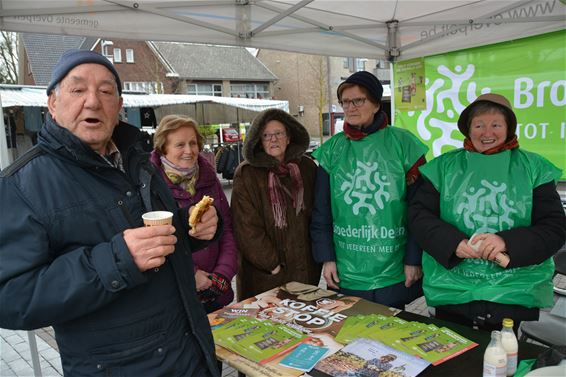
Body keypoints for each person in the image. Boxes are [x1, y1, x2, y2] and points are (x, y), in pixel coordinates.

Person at [0, 49, 222, 376]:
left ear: (119, 106)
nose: (93, 101)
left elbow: (158, 238)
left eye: (106, 91)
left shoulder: (139, 162)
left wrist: (193, 230)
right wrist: (116, 260)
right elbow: (11, 298)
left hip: (188, 353)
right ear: (51, 104)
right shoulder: (21, 185)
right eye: (77, 90)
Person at [408, 93, 566, 331]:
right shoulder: (444, 167)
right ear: (468, 129)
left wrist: (505, 242)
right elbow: (419, 215)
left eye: (496, 125)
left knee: (501, 360)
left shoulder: (533, 168)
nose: (487, 132)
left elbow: (554, 227)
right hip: (453, 291)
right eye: (479, 125)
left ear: (509, 128)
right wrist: (454, 244)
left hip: (511, 292)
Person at [310, 71, 428, 309]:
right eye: (346, 102)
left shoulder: (404, 145)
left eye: (358, 100)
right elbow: (321, 211)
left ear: (375, 104)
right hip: (348, 266)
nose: (351, 107)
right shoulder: (332, 150)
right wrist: (327, 258)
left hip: (394, 265)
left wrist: (413, 259)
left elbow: (421, 210)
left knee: (393, 332)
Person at [231, 108, 321, 301]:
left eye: (278, 133)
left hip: (305, 267)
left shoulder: (307, 167)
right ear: (258, 140)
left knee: (304, 324)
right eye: (266, 135)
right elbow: (246, 228)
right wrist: (272, 264)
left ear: (288, 137)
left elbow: (318, 213)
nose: (273, 139)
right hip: (265, 275)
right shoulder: (247, 174)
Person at [150, 115, 237, 313]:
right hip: (176, 299)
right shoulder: (150, 184)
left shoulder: (210, 180)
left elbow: (227, 232)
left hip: (216, 293)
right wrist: (192, 274)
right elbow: (155, 245)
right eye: (180, 145)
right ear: (164, 147)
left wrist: (223, 274)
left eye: (193, 143)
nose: (189, 151)